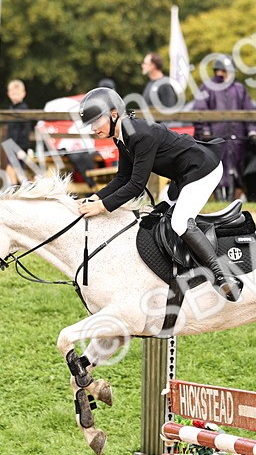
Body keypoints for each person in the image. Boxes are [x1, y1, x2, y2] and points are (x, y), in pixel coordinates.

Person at [75, 87, 242, 301]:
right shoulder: (121, 136)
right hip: (182, 175)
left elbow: (136, 185)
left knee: (180, 222)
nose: (93, 129)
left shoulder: (139, 134)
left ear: (114, 114)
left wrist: (101, 207)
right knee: (157, 216)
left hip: (203, 169)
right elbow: (122, 178)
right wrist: (95, 198)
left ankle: (222, 276)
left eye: (96, 122)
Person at [190, 55, 256, 200]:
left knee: (236, 168)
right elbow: (200, 110)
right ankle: (219, 199)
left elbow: (248, 110)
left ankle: (232, 199)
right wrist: (205, 130)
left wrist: (252, 129)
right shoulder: (207, 87)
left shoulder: (239, 89)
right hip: (215, 136)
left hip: (236, 136)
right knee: (217, 168)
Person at [1, 79, 34, 187]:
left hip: (19, 146)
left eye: (17, 93)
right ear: (8, 94)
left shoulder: (24, 109)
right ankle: (14, 188)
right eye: (13, 93)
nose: (15, 95)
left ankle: (14, 188)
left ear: (23, 94)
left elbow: (25, 131)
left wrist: (21, 149)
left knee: (13, 168)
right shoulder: (11, 109)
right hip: (11, 145)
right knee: (11, 168)